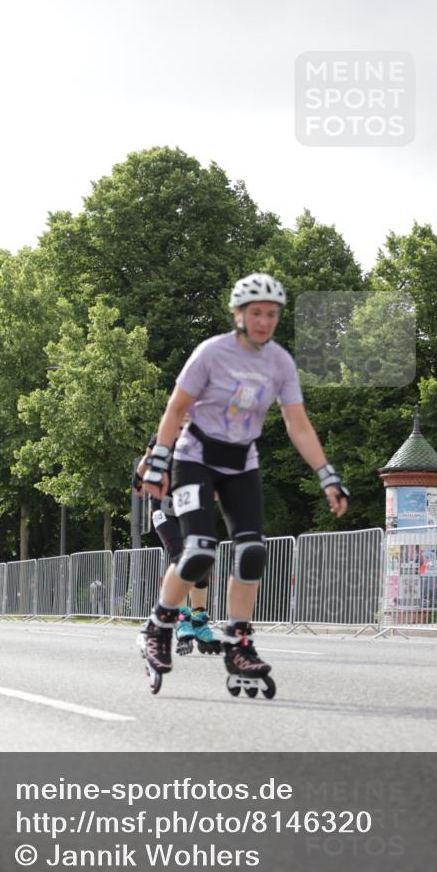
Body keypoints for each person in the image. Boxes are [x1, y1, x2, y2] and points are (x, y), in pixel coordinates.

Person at [139, 272, 349, 696]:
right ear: (238, 314)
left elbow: (297, 424)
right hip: (195, 458)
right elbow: (176, 408)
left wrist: (327, 474)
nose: (264, 321)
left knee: (253, 551)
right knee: (198, 552)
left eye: (272, 314)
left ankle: (238, 643)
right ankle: (158, 627)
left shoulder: (280, 363)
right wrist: (158, 461)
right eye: (256, 313)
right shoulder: (211, 353)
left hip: (241, 463)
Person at [134, 423, 222, 655]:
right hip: (164, 509)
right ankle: (182, 619)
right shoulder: (163, 434)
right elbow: (145, 462)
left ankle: (199, 621)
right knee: (181, 557)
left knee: (201, 561)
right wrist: (139, 476)